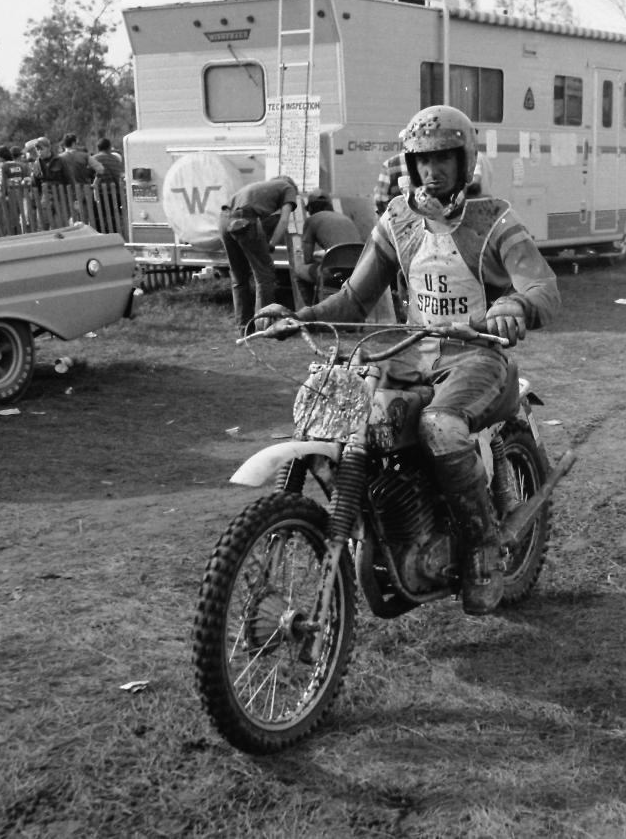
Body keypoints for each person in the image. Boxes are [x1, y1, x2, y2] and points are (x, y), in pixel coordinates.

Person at [256, 105, 560, 615]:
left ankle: (483, 550)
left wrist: (515, 304)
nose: (432, 171)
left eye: (443, 158)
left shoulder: (494, 220)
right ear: (408, 163)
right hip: (410, 354)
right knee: (345, 410)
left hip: (477, 356)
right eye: (422, 160)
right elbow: (354, 298)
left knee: (440, 424)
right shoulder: (397, 221)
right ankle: (390, 528)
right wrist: (299, 316)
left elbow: (542, 285)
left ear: (464, 161)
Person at [218, 175, 298, 335]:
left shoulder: (262, 186)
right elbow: (283, 220)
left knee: (239, 278)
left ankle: (243, 329)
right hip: (244, 220)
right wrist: (271, 245)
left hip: (224, 219)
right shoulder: (288, 188)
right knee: (265, 275)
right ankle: (262, 327)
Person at [295, 193, 364, 303]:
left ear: (311, 208)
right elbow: (342, 249)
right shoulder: (345, 218)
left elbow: (307, 259)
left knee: (299, 271)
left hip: (333, 273)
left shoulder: (312, 220)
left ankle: (312, 312)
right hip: (358, 271)